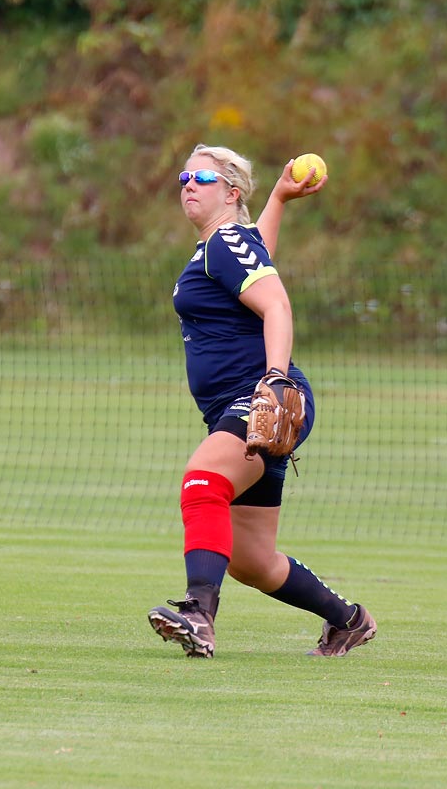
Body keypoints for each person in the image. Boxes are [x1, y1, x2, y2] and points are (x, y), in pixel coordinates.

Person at [148, 144, 376, 659]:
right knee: (252, 559)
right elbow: (259, 257)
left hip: (258, 397)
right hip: (241, 406)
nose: (187, 183)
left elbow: (275, 302)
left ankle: (198, 614)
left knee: (202, 481)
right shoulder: (224, 245)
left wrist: (273, 379)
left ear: (231, 193)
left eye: (202, 177)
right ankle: (348, 620)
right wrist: (278, 196)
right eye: (183, 175)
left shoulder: (225, 242)